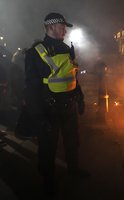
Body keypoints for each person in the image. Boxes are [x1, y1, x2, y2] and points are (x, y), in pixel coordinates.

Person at [24, 12, 87, 196]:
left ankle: (73, 170)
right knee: (47, 147)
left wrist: (80, 97)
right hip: (48, 109)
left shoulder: (68, 49)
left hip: (69, 106)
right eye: (62, 26)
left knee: (73, 142)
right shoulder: (35, 52)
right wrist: (38, 115)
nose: (65, 30)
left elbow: (73, 76)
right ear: (51, 27)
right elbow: (31, 87)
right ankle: (48, 180)